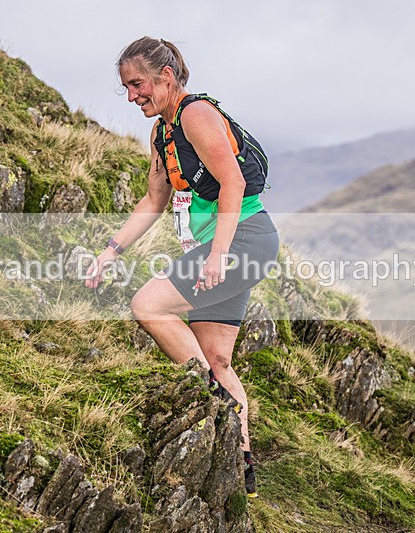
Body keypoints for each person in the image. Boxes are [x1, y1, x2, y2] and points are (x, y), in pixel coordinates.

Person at [85, 36, 279, 498]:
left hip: (244, 238)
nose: (132, 96)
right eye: (127, 89)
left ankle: (215, 406)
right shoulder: (163, 133)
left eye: (137, 85)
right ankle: (243, 462)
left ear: (165, 77)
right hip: (235, 243)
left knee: (149, 305)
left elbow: (232, 181)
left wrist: (217, 256)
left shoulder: (195, 115)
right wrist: (112, 249)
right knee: (217, 358)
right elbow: (155, 199)